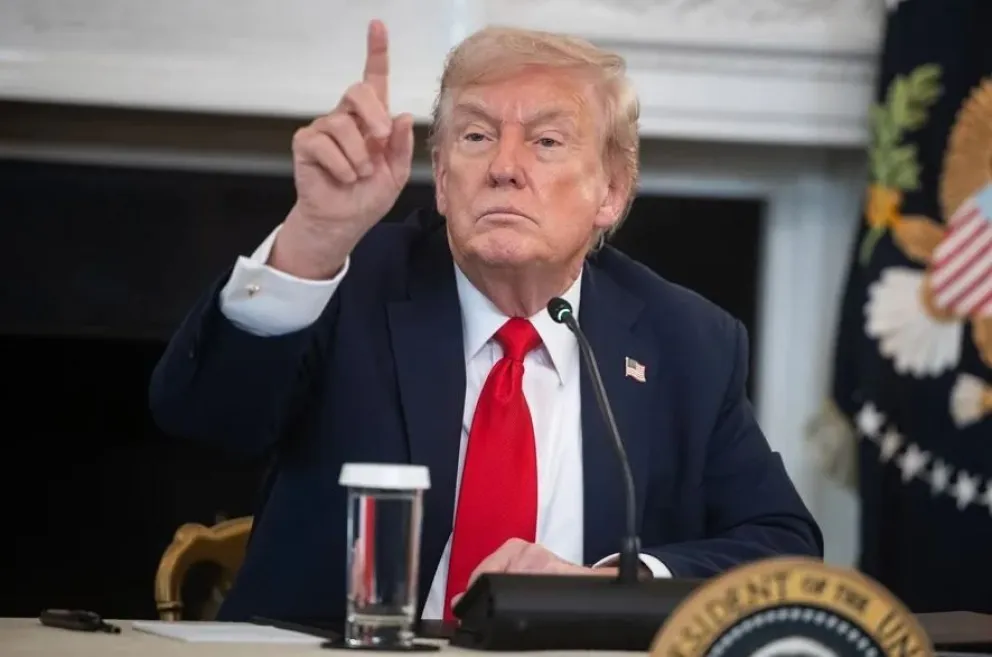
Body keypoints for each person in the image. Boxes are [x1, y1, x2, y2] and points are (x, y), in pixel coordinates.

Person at [149, 19, 823, 623]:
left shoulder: (685, 341)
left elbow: (784, 543)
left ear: (611, 193)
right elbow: (205, 420)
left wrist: (618, 584)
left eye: (547, 141)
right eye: (476, 136)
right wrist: (313, 238)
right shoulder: (347, 282)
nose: (504, 167)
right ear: (441, 179)